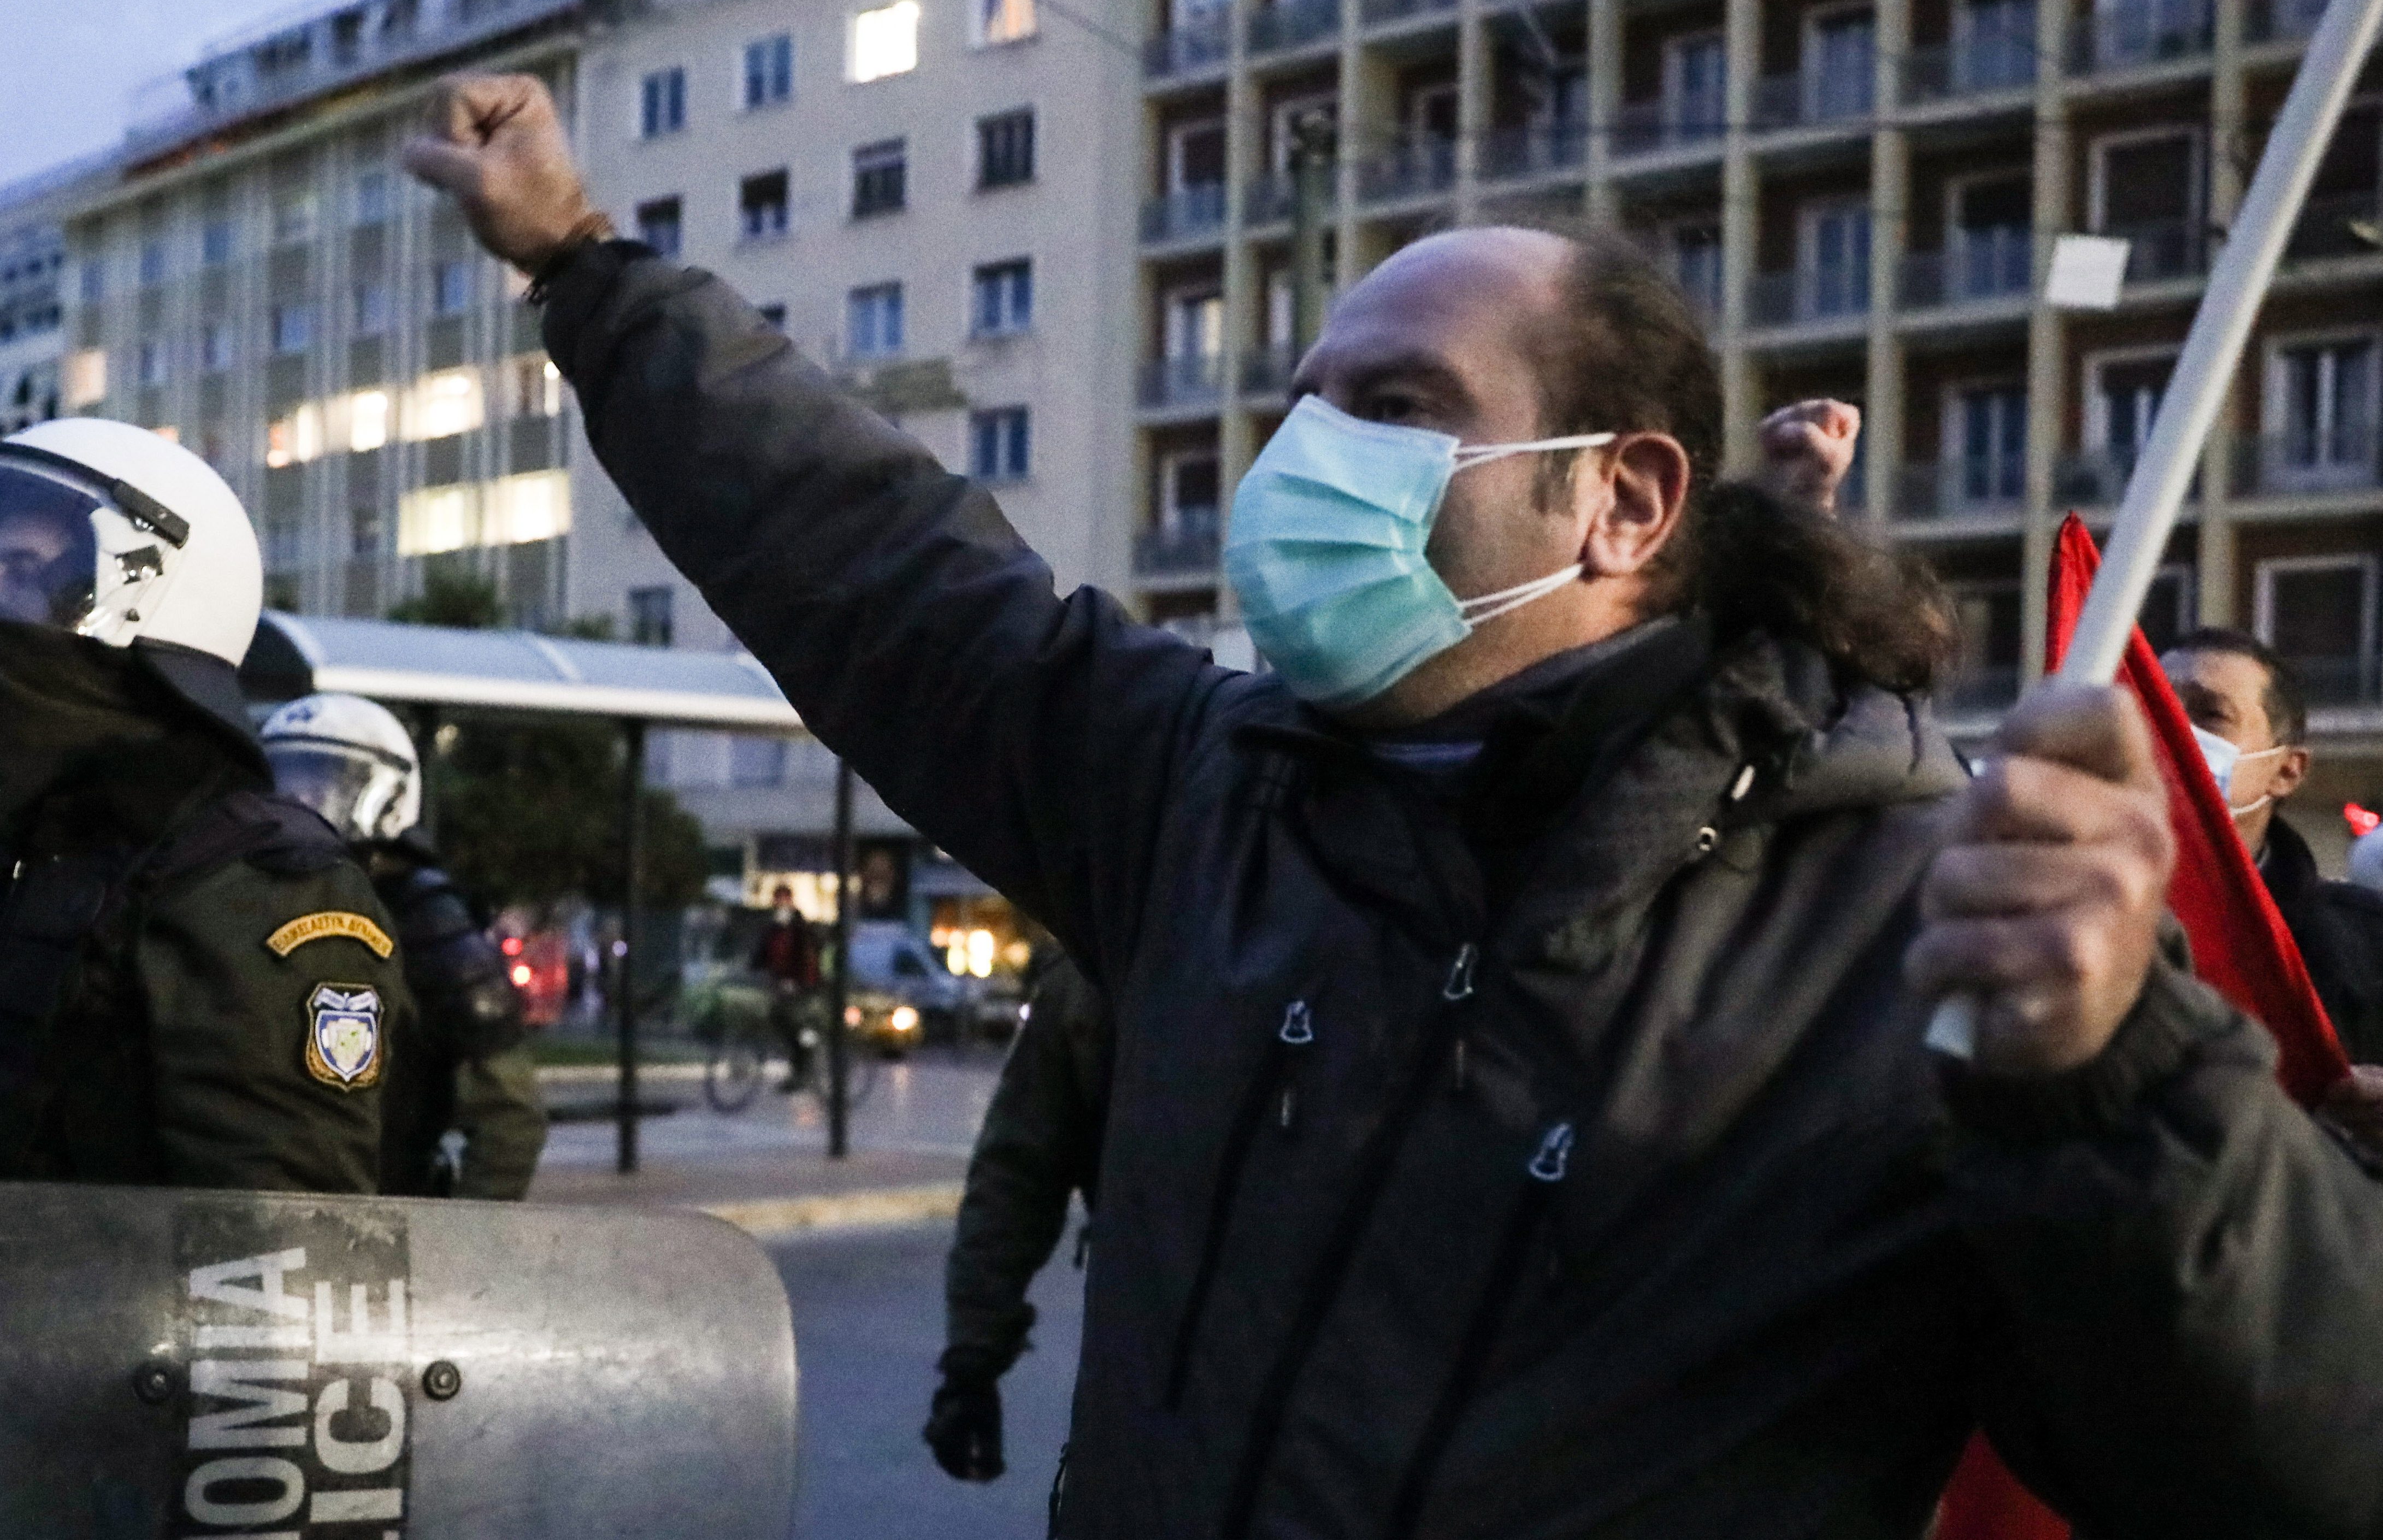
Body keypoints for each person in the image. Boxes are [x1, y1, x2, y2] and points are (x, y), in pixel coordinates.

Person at [411, 74, 2383, 1539]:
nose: (1303, 457)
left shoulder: (1909, 926)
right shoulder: (1197, 788)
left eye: (1397, 405)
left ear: (1617, 499)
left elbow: (2293, 1449)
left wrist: (2115, 1083)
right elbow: (877, 560)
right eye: (1305, 400)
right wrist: (587, 263)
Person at [921, 410, 1860, 1486]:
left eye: (1397, 401)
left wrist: (1790, 520)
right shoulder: (1157, 896)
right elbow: (1024, 1154)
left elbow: (1705, 767)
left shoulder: (1516, 879)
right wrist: (973, 1348)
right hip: (1177, 1445)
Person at [0, 418, 412, 1192]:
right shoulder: (43, 837)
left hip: (118, 1314)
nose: (4, 601)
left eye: (25, 570)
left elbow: (285, 1249)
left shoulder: (256, 882)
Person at [261, 691, 547, 1198]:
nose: (301, 804)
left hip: (383, 1223)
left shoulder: (424, 919)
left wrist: (453, 1248)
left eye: (324, 784)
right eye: (286, 781)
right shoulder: (247, 896)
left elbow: (510, 1114)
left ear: (388, 793)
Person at [2160, 627, 2383, 1138]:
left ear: (2286, 769)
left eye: (2210, 714)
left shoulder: (2369, 944)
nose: (2170, 729)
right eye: (2155, 706)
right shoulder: (2061, 919)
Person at [925, 945, 1112, 1482]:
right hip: (1148, 1359)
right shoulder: (1102, 961)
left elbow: (1017, 1167)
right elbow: (1020, 1169)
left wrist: (972, 1358)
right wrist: (971, 1361)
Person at [750, 882, 823, 1089]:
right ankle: (799, 1061)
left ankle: (805, 1064)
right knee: (778, 1018)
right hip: (783, 985)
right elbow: (762, 953)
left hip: (804, 985)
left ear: (790, 901)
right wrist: (751, 969)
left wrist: (795, 981)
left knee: (797, 1025)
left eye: (784, 899)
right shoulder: (773, 928)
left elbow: (804, 957)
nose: (780, 904)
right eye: (777, 900)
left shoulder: (800, 926)